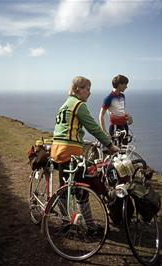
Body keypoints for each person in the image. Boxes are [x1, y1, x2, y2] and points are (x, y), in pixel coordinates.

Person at [50, 76, 119, 235]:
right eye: (86, 88)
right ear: (76, 89)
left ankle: (66, 222)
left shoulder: (65, 105)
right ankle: (90, 227)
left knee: (64, 188)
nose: (89, 92)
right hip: (71, 150)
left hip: (58, 149)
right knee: (83, 187)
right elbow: (93, 127)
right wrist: (110, 145)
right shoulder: (78, 105)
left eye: (89, 89)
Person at [99, 74, 133, 145]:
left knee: (124, 151)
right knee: (115, 151)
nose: (126, 87)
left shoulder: (122, 96)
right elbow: (101, 115)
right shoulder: (109, 98)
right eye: (125, 84)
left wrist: (129, 116)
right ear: (120, 85)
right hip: (115, 127)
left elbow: (119, 111)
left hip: (124, 126)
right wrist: (104, 132)